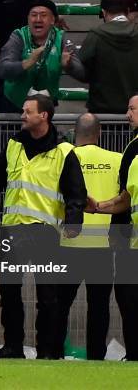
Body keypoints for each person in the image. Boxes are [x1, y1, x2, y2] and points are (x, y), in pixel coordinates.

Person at [0, 94, 87, 359]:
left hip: (45, 232)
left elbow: (76, 192)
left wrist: (74, 222)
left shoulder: (64, 151)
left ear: (44, 116)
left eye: (27, 111)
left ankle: (47, 351)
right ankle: (13, 346)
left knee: (48, 297)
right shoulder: (13, 146)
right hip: (12, 229)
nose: (22, 115)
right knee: (8, 293)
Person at [55, 113, 120, 360]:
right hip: (102, 245)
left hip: (68, 241)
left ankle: (54, 352)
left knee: (60, 305)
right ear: (100, 133)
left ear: (74, 133)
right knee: (100, 307)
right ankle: (96, 356)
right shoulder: (117, 159)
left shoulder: (63, 158)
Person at [84, 94, 138, 361]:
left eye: (132, 109)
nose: (127, 113)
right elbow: (127, 197)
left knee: (128, 297)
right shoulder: (131, 148)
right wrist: (98, 207)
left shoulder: (133, 150)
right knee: (126, 297)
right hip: (132, 239)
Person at [0, 0, 82, 112]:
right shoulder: (18, 36)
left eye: (43, 15)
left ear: (52, 20)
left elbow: (83, 73)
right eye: (33, 15)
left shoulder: (61, 38)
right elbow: (3, 70)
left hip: (45, 105)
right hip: (15, 104)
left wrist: (69, 66)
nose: (38, 19)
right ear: (28, 19)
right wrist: (26, 63)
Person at [70, 0, 138, 114]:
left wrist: (68, 64)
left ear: (104, 12)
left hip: (102, 111)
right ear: (127, 11)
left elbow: (83, 73)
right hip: (135, 112)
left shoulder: (96, 35)